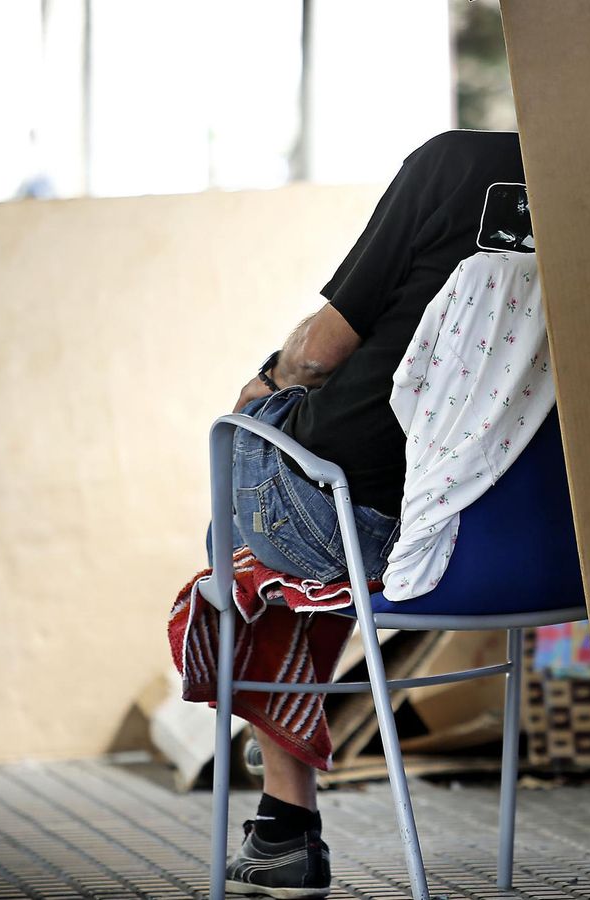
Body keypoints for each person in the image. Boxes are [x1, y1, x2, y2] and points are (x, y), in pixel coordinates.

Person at [218, 129, 525, 898]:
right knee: (310, 528)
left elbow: (318, 356)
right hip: (532, 543)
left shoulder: (458, 163)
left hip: (379, 522)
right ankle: (282, 803)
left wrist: (264, 386)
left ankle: (285, 820)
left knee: (253, 513)